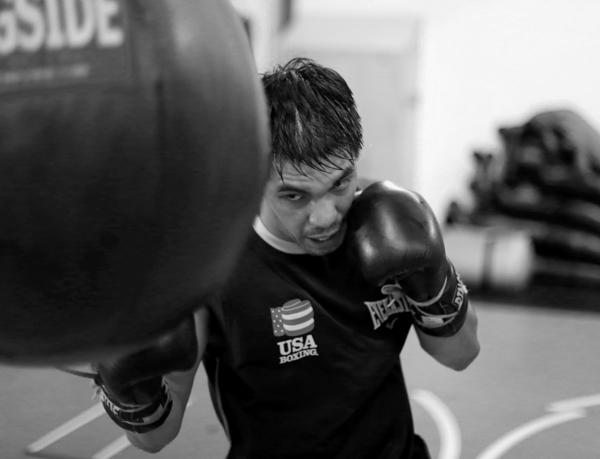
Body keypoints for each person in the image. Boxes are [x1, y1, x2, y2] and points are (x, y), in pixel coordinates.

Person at [93, 57, 480, 458]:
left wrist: (436, 279)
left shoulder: (391, 224)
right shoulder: (210, 267)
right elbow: (154, 438)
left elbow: (460, 354)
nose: (326, 216)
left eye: (340, 183)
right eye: (294, 195)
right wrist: (128, 387)